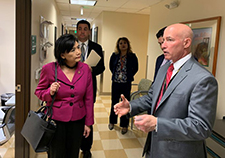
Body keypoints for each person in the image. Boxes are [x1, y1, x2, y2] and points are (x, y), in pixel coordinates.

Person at [114, 23, 218, 158]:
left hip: (179, 153)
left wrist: (157, 124)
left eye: (169, 40)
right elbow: (152, 97)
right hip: (155, 147)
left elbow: (200, 127)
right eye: (163, 41)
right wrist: (131, 106)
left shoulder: (203, 79)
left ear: (186, 43)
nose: (163, 45)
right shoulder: (164, 69)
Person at [35, 34, 94, 158]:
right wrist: (49, 92)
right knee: (56, 153)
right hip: (56, 121)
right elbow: (39, 92)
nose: (78, 52)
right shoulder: (49, 69)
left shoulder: (85, 69)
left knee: (73, 153)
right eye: (73, 50)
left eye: (78, 48)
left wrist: (88, 123)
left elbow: (88, 98)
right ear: (63, 55)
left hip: (78, 120)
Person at [76, 20, 105, 158]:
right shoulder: (71, 45)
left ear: (89, 31)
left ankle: (86, 148)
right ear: (76, 31)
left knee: (88, 117)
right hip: (73, 88)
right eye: (80, 29)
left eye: (85, 29)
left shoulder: (96, 47)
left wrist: (90, 69)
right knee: (74, 118)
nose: (82, 31)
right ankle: (75, 144)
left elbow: (102, 67)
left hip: (89, 88)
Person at [108, 37, 138, 134]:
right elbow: (110, 66)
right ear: (118, 45)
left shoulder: (132, 56)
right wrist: (116, 74)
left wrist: (129, 75)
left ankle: (124, 125)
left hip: (126, 83)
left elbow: (136, 68)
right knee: (114, 102)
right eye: (121, 43)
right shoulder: (115, 55)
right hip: (116, 82)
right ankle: (112, 122)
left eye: (125, 43)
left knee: (125, 104)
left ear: (128, 45)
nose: (123, 45)